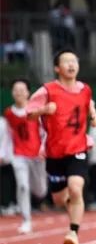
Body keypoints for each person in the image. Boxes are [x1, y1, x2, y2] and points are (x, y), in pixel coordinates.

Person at [26, 49, 96, 244]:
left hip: (78, 147)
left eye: (74, 61)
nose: (71, 65)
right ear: (57, 68)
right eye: (66, 61)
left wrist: (93, 115)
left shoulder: (85, 89)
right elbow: (29, 113)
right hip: (55, 151)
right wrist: (43, 110)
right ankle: (72, 205)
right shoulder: (47, 91)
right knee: (60, 199)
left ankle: (73, 232)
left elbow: (89, 104)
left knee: (76, 188)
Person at [3, 79, 48, 233]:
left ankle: (40, 195)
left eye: (22, 90)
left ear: (28, 92)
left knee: (40, 190)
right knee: (22, 186)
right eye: (16, 90)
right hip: (19, 155)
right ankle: (26, 220)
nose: (19, 93)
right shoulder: (9, 113)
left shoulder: (36, 110)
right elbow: (7, 136)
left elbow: (44, 132)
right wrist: (4, 154)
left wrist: (44, 148)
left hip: (37, 155)